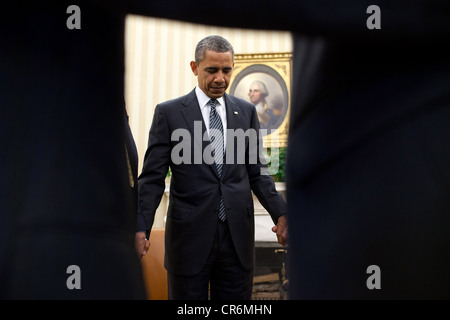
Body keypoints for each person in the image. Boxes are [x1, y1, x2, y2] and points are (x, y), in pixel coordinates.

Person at [137, 35, 288, 300]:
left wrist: (282, 214)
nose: (220, 78)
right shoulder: (169, 113)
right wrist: (140, 227)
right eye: (212, 70)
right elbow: (152, 178)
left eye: (226, 70)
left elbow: (258, 173)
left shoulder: (247, 112)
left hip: (237, 240)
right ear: (195, 68)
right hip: (188, 240)